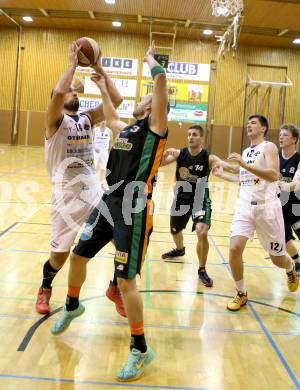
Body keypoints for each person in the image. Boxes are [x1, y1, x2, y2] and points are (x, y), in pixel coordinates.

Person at [51, 42, 169, 382]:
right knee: (78, 256)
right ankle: (73, 305)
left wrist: (152, 62)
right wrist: (102, 83)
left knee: (126, 280)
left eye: (146, 100)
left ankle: (140, 348)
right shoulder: (126, 129)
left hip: (133, 204)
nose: (142, 100)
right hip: (109, 198)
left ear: (153, 107)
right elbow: (113, 116)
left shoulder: (156, 128)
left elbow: (159, 87)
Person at [36, 41, 122, 315]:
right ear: (58, 99)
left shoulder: (85, 118)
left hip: (93, 191)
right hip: (65, 194)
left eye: (75, 89)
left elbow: (117, 101)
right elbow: (60, 89)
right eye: (70, 90)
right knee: (59, 256)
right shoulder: (54, 121)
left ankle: (115, 287)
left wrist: (99, 69)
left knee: (122, 239)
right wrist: (72, 64)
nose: (73, 91)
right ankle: (46, 287)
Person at [213, 114, 299, 311]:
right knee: (235, 248)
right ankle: (241, 293)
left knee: (278, 259)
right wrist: (223, 174)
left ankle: (290, 267)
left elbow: (273, 175)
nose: (249, 125)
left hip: (267, 208)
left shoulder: (268, 147)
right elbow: (244, 180)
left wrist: (242, 164)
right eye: (248, 123)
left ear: (263, 129)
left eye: (254, 123)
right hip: (245, 206)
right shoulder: (246, 151)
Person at [160, 125, 236, 287]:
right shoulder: (180, 154)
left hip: (200, 201)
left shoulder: (209, 157)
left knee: (202, 232)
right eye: (189, 135)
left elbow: (229, 167)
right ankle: (180, 249)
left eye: (194, 135)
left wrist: (240, 166)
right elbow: (158, 164)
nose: (190, 137)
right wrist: (165, 152)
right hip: (180, 200)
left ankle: (202, 269)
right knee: (175, 230)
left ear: (201, 138)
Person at [279, 123, 300, 275]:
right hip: (278, 206)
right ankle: (298, 263)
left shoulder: (298, 160)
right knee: (284, 238)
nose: (281, 137)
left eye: (285, 135)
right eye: (280, 134)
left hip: (295, 205)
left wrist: (278, 183)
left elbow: (296, 184)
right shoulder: (275, 158)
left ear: (294, 139)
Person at [93, 120, 113, 185]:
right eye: (102, 120)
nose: (103, 122)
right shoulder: (95, 130)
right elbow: (90, 140)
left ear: (106, 121)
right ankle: (93, 180)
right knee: (93, 166)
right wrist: (94, 147)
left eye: (104, 120)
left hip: (104, 151)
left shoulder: (109, 131)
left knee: (104, 167)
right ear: (99, 121)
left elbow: (111, 142)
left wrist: (110, 151)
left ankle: (101, 181)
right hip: (96, 150)